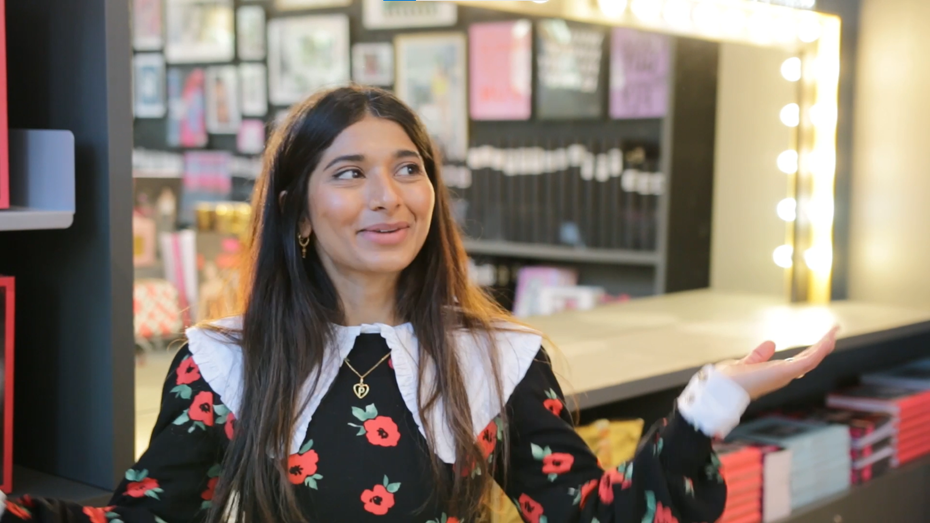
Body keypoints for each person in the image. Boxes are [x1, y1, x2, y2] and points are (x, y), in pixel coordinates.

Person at [0, 86, 837, 523]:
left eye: (408, 169)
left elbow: (589, 516)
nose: (388, 196)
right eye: (349, 172)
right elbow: (143, 518)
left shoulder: (495, 358)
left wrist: (707, 407)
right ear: (297, 210)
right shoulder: (223, 361)